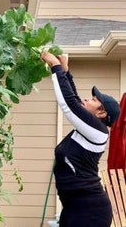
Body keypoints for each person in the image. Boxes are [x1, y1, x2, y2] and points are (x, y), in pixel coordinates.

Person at [41, 51, 121, 227]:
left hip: (90, 212)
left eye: (93, 99)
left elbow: (70, 104)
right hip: (74, 208)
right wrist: (66, 71)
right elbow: (75, 100)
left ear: (101, 112)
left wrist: (55, 66)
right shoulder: (87, 129)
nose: (86, 99)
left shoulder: (98, 132)